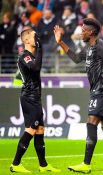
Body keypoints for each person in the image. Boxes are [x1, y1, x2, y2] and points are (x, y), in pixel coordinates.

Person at [53, 18, 103, 173]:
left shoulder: (101, 46)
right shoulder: (88, 48)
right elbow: (75, 58)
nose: (81, 33)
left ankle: (86, 164)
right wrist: (60, 42)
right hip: (96, 90)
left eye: (84, 30)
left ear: (91, 32)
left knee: (91, 123)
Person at [10, 28, 60, 173]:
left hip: (35, 97)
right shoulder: (24, 55)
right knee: (31, 129)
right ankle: (16, 164)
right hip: (29, 97)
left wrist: (39, 47)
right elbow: (36, 67)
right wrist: (40, 48)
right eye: (34, 36)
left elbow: (36, 65)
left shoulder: (31, 55)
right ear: (26, 40)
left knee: (40, 130)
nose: (36, 38)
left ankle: (43, 165)